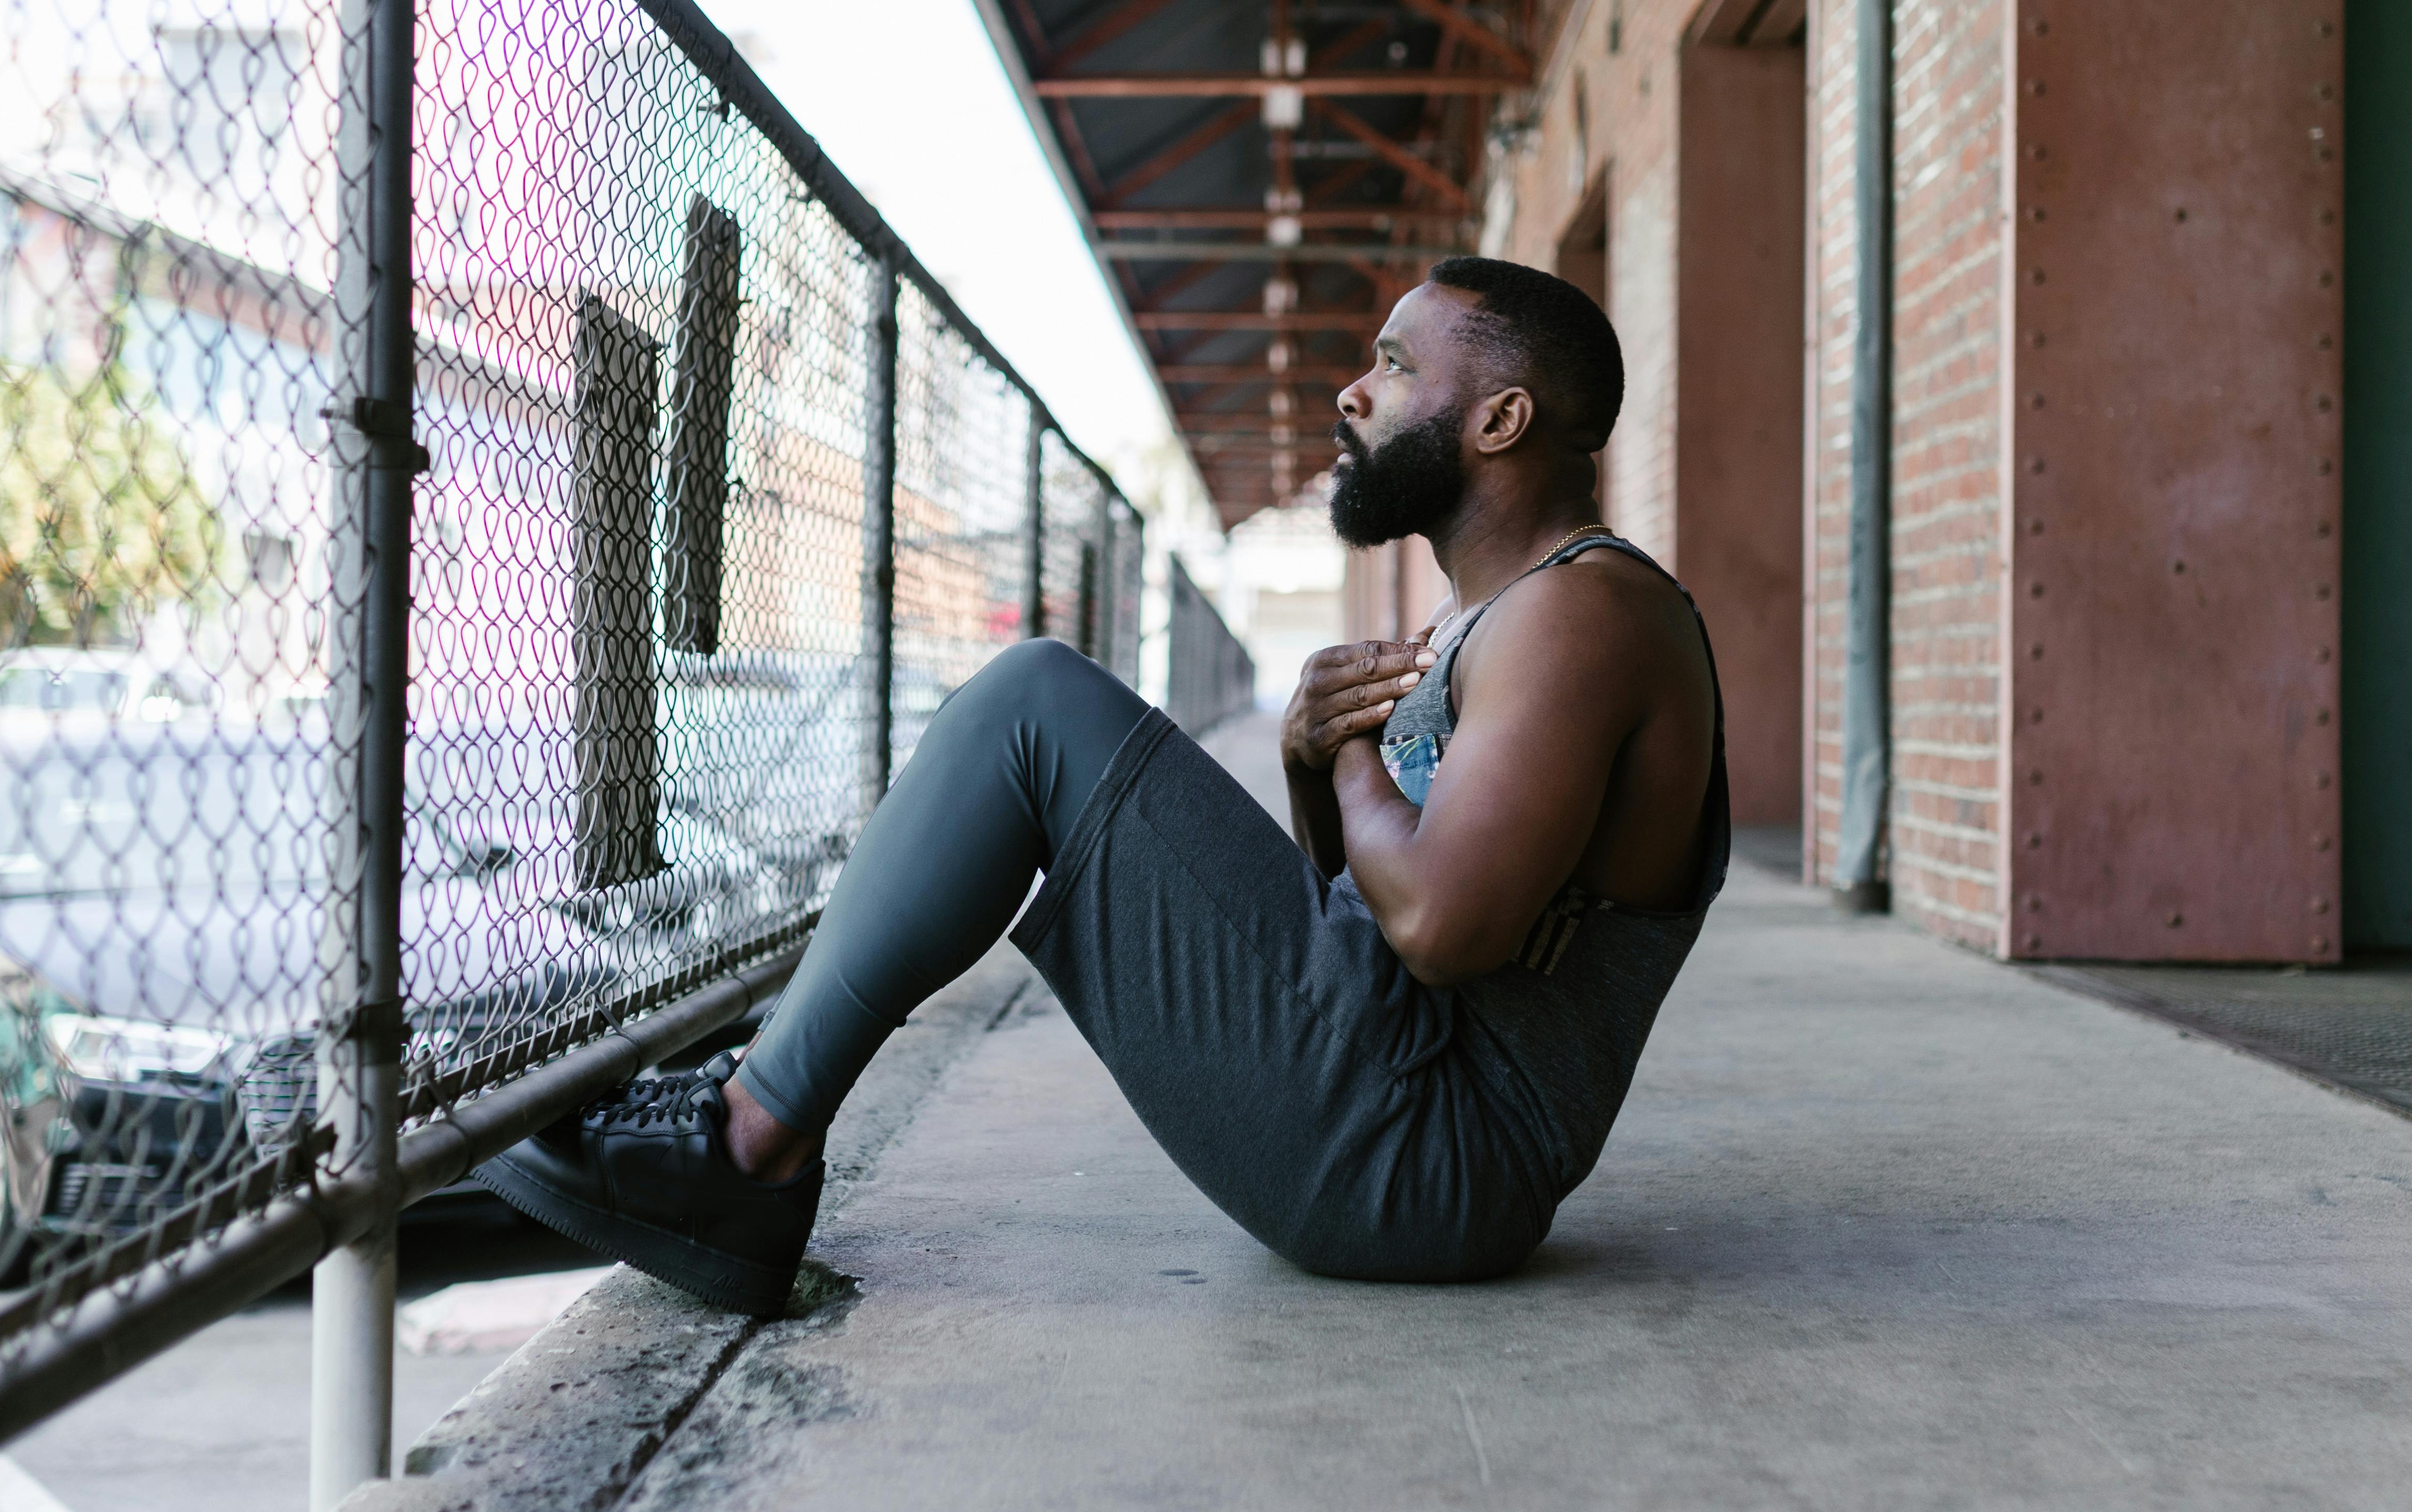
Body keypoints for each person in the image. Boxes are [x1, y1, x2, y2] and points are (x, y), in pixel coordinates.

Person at [477, 256, 1728, 1311]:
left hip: (1434, 1154)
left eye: (1396, 366)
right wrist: (1308, 762)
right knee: (1038, 707)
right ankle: (749, 1108)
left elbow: (1443, 926)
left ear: (1499, 422)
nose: (1353, 392)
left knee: (1035, 704)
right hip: (1400, 1106)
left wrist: (1350, 753)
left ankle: (746, 1143)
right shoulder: (1491, 617)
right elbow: (1366, 914)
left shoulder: (1582, 613)